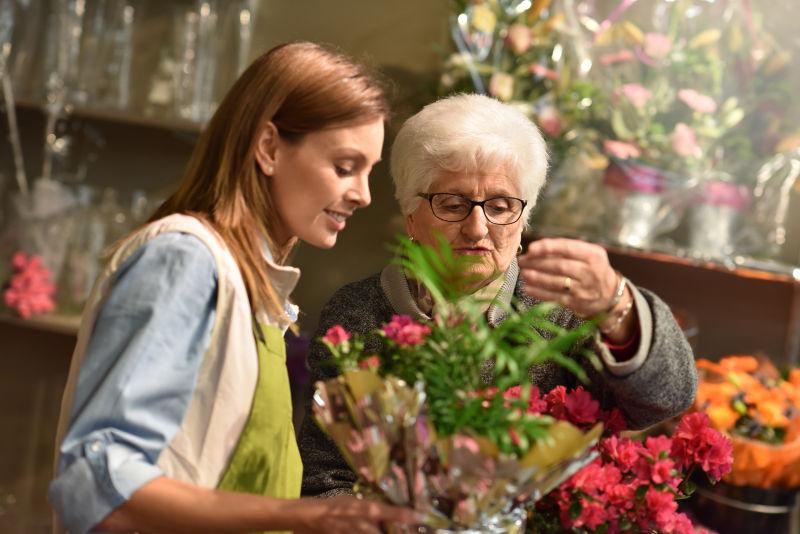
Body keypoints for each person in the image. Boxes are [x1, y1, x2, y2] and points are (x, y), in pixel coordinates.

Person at [48, 42, 419, 534]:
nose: (364, 195)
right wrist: (307, 517)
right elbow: (96, 480)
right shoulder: (186, 258)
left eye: (369, 171)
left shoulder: (257, 288)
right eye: (345, 166)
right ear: (268, 148)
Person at [298, 93, 697, 497]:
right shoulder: (358, 313)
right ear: (411, 216)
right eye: (452, 204)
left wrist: (618, 307)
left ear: (524, 219)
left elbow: (665, 399)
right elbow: (325, 478)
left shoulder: (560, 308)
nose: (477, 228)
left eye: (501, 206)